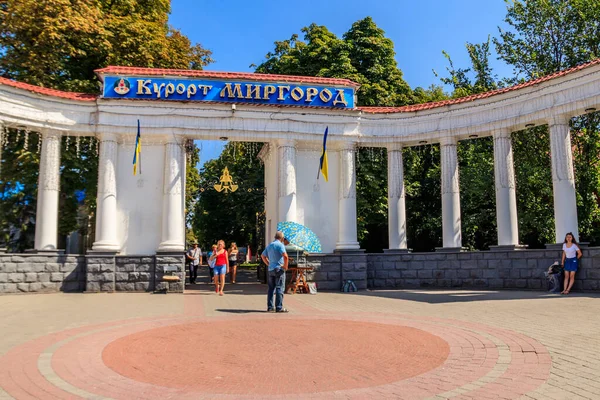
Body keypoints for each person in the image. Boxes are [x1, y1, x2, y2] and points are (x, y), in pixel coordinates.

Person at [261, 231, 289, 313]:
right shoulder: (280, 245)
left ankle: (270, 307)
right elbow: (285, 256)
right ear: (282, 238)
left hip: (271, 269)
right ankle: (279, 307)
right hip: (279, 269)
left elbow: (263, 256)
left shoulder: (270, 245)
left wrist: (268, 264)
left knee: (270, 288)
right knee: (279, 287)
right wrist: (285, 266)